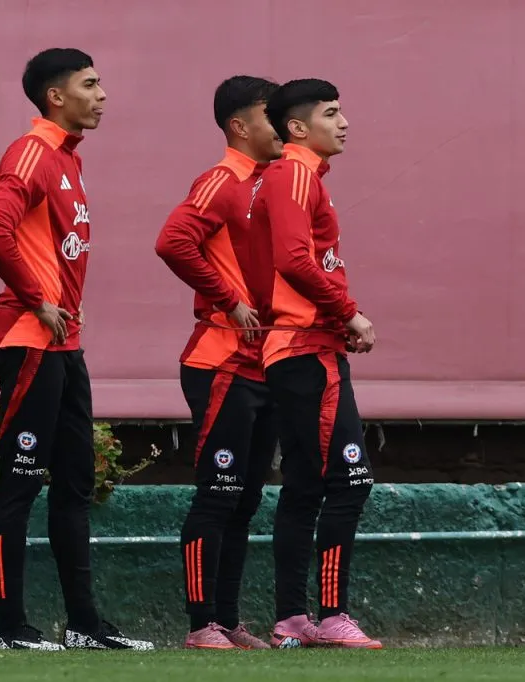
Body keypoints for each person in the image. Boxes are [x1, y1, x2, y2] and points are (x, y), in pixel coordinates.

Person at [0, 47, 153, 651]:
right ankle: (11, 628)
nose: (102, 94)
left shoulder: (68, 161)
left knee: (76, 484)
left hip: (63, 345)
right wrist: (35, 298)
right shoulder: (30, 153)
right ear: (57, 95)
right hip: (29, 341)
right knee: (20, 484)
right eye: (91, 84)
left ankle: (83, 625)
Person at [245, 78, 381, 649]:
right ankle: (330, 617)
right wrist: (348, 313)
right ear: (298, 128)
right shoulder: (294, 173)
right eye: (331, 113)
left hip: (304, 347)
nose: (344, 121)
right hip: (304, 351)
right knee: (350, 480)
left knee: (304, 486)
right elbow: (294, 260)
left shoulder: (296, 177)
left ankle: (291, 620)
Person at [155, 75, 283, 650]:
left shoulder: (273, 184)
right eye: (270, 115)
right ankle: (200, 623)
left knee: (248, 497)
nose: (283, 125)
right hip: (221, 362)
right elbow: (172, 240)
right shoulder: (222, 179)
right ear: (239, 125)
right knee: (219, 491)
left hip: (267, 365)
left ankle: (229, 621)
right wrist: (228, 300)